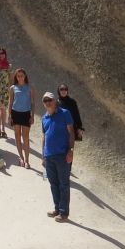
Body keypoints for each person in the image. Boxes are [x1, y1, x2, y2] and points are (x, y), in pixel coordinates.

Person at [40, 92, 75, 222]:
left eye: (50, 100)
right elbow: (44, 137)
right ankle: (57, 208)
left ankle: (64, 212)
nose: (48, 102)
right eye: (45, 101)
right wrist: (43, 156)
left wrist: (71, 150)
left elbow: (71, 132)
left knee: (64, 184)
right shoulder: (44, 118)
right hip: (49, 156)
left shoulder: (65, 113)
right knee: (53, 184)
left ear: (55, 101)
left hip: (62, 154)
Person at [8, 68, 36, 169]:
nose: (20, 77)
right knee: (17, 136)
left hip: (26, 114)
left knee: (26, 138)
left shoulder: (30, 87)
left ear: (25, 76)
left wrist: (32, 116)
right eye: (18, 76)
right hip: (15, 114)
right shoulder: (12, 88)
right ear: (16, 77)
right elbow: (10, 103)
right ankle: (21, 158)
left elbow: (33, 103)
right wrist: (9, 115)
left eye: (22, 75)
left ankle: (27, 160)